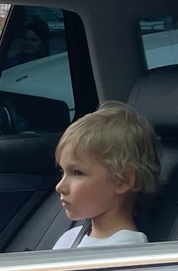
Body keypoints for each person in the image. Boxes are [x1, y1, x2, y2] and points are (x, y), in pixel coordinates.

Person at [51, 102, 160, 249]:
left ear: (122, 180)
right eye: (63, 172)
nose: (59, 187)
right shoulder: (70, 237)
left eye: (77, 173)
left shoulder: (127, 250)